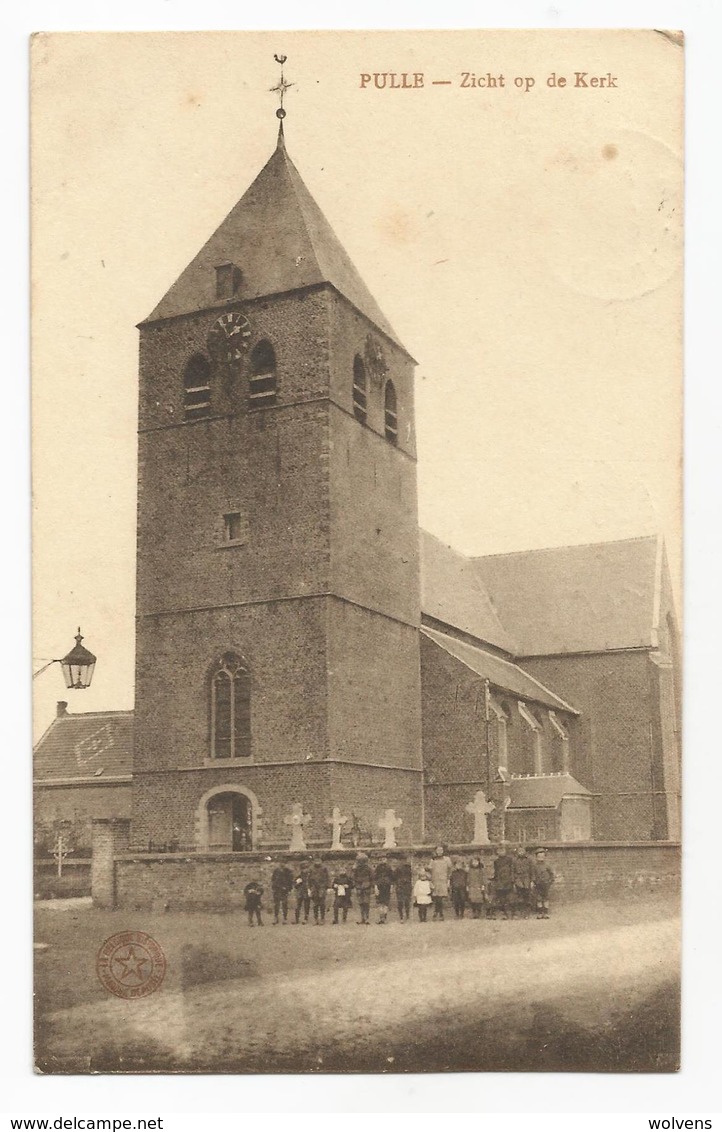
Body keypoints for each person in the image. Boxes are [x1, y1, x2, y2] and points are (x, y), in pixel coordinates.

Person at [429, 844, 452, 920]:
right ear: (435, 851)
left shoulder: (447, 859)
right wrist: (430, 881)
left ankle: (438, 913)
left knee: (441, 897)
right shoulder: (433, 860)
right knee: (436, 897)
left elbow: (450, 870)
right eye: (438, 850)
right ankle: (438, 912)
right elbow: (430, 870)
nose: (439, 852)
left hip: (443, 880)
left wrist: (448, 880)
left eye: (441, 850)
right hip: (435, 880)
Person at [491, 843, 514, 919]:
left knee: (509, 897)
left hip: (508, 880)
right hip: (500, 881)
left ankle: (509, 913)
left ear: (506, 851)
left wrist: (511, 879)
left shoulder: (509, 860)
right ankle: (503, 913)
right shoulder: (496, 861)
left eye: (503, 850)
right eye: (499, 850)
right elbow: (496, 871)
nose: (501, 852)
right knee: (501, 897)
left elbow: (512, 870)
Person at [532, 847, 555, 919]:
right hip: (537, 884)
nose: (540, 858)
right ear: (536, 857)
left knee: (545, 898)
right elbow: (533, 874)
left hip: (546, 884)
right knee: (539, 899)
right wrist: (533, 881)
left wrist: (550, 881)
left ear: (545, 857)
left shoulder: (547, 865)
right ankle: (540, 912)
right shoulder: (535, 866)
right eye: (539, 857)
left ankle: (545, 913)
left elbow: (551, 874)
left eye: (542, 856)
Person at [352, 851, 374, 925]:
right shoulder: (356, 869)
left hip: (366, 887)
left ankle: (366, 918)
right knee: (361, 903)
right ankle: (363, 918)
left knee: (366, 903)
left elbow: (372, 878)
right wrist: (355, 886)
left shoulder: (368, 869)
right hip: (359, 887)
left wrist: (371, 886)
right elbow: (354, 878)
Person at [270, 858, 294, 924]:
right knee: (276, 904)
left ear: (285, 864)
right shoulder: (276, 871)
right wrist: (274, 888)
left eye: (283, 862)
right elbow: (273, 880)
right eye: (280, 862)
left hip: (284, 890)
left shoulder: (288, 871)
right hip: (277, 890)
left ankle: (284, 918)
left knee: (284, 904)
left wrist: (288, 889)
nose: (282, 864)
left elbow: (290, 881)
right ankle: (276, 917)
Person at [512, 845, 533, 919]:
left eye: (522, 851)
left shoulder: (529, 860)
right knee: (518, 896)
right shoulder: (514, 860)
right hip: (518, 879)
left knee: (526, 897)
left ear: (525, 852)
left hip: (526, 879)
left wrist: (532, 881)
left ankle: (526, 913)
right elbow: (512, 871)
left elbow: (531, 871)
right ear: (517, 852)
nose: (521, 853)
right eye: (519, 851)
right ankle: (518, 913)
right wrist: (513, 881)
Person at [308, 855, 330, 925]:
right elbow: (308, 879)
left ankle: (322, 918)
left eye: (319, 860)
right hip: (314, 888)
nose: (317, 861)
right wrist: (309, 888)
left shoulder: (324, 868)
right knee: (315, 904)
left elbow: (327, 878)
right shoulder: (311, 869)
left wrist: (327, 887)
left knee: (322, 904)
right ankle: (316, 919)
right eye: (316, 860)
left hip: (322, 887)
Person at [373, 854, 395, 924]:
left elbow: (392, 878)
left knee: (386, 902)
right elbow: (375, 878)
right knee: (380, 902)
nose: (383, 860)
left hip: (387, 886)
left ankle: (384, 918)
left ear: (386, 859)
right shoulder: (378, 868)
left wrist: (391, 886)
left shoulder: (389, 868)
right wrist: (375, 887)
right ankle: (381, 918)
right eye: (381, 859)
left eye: (384, 859)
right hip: (380, 886)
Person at [394, 855, 413, 922]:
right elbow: (394, 877)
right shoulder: (397, 869)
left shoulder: (409, 868)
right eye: (401, 860)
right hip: (400, 886)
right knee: (400, 902)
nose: (403, 861)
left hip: (407, 886)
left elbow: (411, 877)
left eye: (405, 860)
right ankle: (401, 916)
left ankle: (407, 915)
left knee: (407, 901)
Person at [293, 859, 311, 924]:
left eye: (306, 868)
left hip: (306, 892)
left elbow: (312, 883)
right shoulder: (299, 875)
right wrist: (297, 882)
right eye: (303, 868)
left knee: (306, 906)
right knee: (298, 906)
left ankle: (305, 919)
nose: (305, 870)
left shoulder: (310, 875)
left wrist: (310, 890)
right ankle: (296, 919)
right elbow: (295, 884)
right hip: (300, 892)